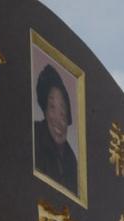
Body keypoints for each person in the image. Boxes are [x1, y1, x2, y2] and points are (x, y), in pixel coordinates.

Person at [34, 64, 79, 192]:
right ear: (45, 111)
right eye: (52, 107)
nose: (59, 119)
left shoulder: (71, 159)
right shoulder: (34, 136)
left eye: (62, 109)